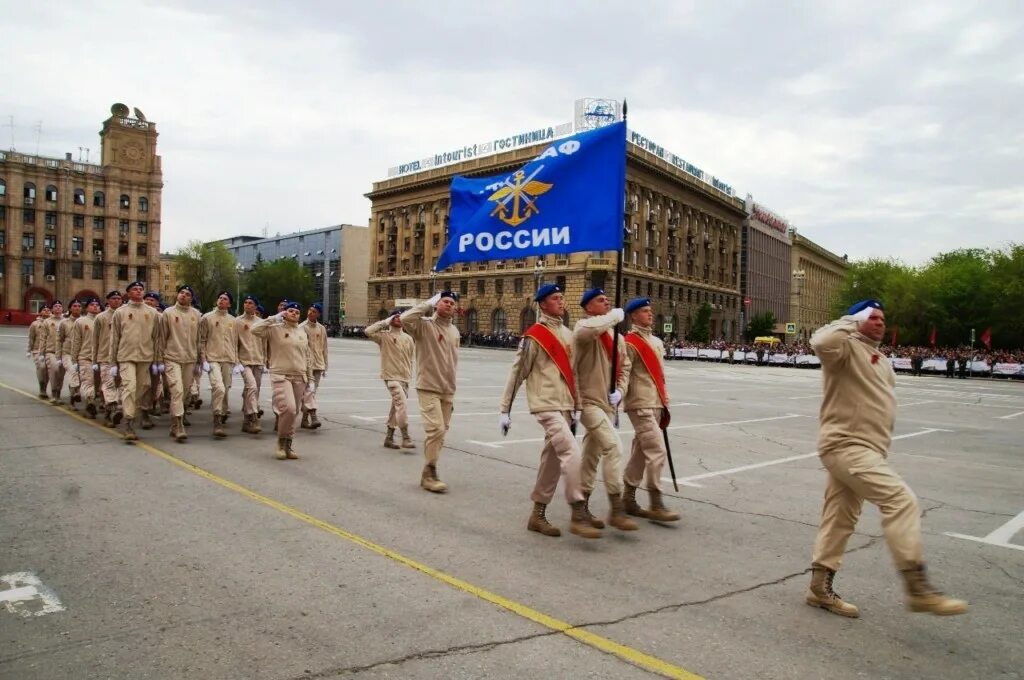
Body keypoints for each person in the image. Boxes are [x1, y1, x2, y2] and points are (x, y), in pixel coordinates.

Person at [806, 299, 967, 618]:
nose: (880, 322)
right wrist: (852, 320)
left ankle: (819, 587)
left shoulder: (880, 358)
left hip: (868, 448)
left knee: (841, 517)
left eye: (883, 318)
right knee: (901, 500)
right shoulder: (844, 348)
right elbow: (820, 340)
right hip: (846, 446)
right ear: (858, 320)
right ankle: (917, 586)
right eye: (873, 317)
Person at [500, 283, 600, 539]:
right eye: (556, 298)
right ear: (542, 304)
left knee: (552, 461)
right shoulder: (534, 335)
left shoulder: (568, 335)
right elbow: (518, 372)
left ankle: (538, 513)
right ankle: (578, 510)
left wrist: (576, 404)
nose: (561, 301)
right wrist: (505, 409)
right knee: (571, 452)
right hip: (545, 404)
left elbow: (574, 373)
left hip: (565, 405)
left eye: (562, 297)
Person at [572, 288, 636, 531]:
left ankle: (580, 509)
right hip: (587, 401)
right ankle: (616, 507)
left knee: (591, 455)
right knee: (613, 447)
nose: (607, 302)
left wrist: (620, 390)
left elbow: (626, 366)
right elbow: (589, 331)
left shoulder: (617, 338)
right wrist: (616, 316)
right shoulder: (584, 327)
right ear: (588, 307)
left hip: (607, 404)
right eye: (601, 300)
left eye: (608, 299)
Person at [620, 298, 681, 523]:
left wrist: (664, 400)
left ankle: (628, 497)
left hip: (656, 403)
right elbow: (623, 372)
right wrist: (618, 396)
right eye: (645, 311)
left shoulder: (655, 341)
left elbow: (659, 375)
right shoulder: (629, 343)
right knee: (657, 450)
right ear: (633, 316)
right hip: (640, 403)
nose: (650, 314)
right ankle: (656, 503)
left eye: (650, 311)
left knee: (640, 451)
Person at [400, 290, 460, 493]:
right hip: (428, 386)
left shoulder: (454, 332)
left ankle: (429, 470)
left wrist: (452, 386)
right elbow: (404, 318)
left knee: (440, 433)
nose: (449, 305)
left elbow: (453, 362)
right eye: (445, 301)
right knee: (436, 430)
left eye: (452, 303)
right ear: (437, 304)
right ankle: (429, 472)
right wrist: (427, 303)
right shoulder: (424, 326)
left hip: (447, 389)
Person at [251, 302, 313, 460]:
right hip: (281, 375)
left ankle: (288, 443)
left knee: (295, 413)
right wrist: (274, 318)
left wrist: (310, 379)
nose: (293, 314)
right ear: (285, 313)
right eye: (290, 311)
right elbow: (255, 329)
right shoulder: (275, 329)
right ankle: (281, 441)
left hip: (299, 376)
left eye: (297, 312)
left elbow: (307, 356)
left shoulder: (302, 332)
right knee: (289, 409)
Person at [110, 281, 162, 441]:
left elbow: (157, 339)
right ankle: (129, 423)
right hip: (126, 356)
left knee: (143, 387)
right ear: (128, 293)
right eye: (135, 289)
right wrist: (113, 362)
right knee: (129, 387)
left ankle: (130, 409)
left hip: (145, 357)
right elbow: (114, 338)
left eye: (141, 289)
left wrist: (157, 361)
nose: (139, 291)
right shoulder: (120, 312)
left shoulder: (152, 313)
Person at [364, 310, 416, 450]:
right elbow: (368, 331)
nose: (398, 319)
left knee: (396, 406)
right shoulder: (384, 337)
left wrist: (409, 375)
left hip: (405, 378)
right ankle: (405, 436)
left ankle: (389, 437)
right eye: (395, 316)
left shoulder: (408, 338)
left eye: (400, 316)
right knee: (402, 405)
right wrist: (385, 322)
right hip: (391, 377)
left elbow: (410, 359)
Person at [162, 285, 202, 442]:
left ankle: (175, 422)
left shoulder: (197, 315)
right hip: (172, 357)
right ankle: (179, 424)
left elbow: (199, 339)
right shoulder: (168, 313)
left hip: (190, 358)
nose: (183, 296)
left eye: (187, 294)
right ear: (177, 295)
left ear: (191, 298)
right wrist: (160, 359)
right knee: (177, 390)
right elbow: (162, 337)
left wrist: (200, 359)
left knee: (184, 392)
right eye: (181, 293)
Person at [199, 291, 240, 439]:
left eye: (225, 299)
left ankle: (222, 413)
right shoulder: (207, 318)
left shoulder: (233, 321)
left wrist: (236, 361)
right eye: (220, 298)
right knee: (218, 387)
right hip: (212, 358)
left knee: (226, 389)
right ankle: (217, 419)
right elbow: (202, 340)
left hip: (228, 359)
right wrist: (203, 359)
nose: (222, 300)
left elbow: (235, 342)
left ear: (229, 304)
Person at [236, 294, 266, 434]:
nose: (247, 304)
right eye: (245, 302)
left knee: (254, 390)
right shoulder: (237, 322)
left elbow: (264, 343)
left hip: (258, 360)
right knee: (252, 386)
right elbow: (233, 343)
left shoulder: (261, 322)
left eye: (250, 303)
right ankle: (254, 417)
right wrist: (236, 362)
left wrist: (265, 360)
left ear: (255, 306)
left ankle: (246, 421)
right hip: (244, 361)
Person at [93, 290, 124, 427]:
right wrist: (94, 360)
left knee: (122, 386)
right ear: (108, 300)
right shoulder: (100, 317)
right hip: (105, 357)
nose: (117, 301)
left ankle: (109, 411)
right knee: (109, 384)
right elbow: (95, 340)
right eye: (114, 298)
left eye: (119, 298)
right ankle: (112, 411)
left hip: (122, 357)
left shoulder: (125, 315)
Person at [69, 298, 102, 419]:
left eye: (97, 305)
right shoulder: (81, 322)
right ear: (87, 308)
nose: (95, 307)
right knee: (88, 382)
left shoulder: (103, 319)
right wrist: (74, 359)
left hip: (101, 358)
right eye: (92, 304)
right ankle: (90, 403)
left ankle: (95, 400)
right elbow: (76, 341)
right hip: (85, 357)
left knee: (99, 384)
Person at [299, 302, 328, 430]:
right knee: (309, 391)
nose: (311, 313)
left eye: (314, 311)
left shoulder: (321, 328)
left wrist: (325, 365)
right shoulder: (302, 327)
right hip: (306, 365)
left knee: (312, 391)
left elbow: (324, 347)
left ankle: (305, 419)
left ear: (318, 314)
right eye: (310, 310)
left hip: (318, 364)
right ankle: (312, 415)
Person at [58, 299, 83, 409]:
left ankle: (73, 397)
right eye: (74, 306)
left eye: (79, 306)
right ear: (70, 308)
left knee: (81, 376)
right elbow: (59, 339)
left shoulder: (84, 321)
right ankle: (75, 393)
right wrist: (58, 356)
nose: (77, 307)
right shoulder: (64, 323)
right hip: (67, 353)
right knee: (73, 372)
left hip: (82, 353)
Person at [27, 306, 52, 398]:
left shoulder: (52, 323)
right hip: (37, 350)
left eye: (48, 310)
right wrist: (28, 350)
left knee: (49, 371)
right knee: (42, 367)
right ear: (40, 312)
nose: (46, 311)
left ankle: (44, 388)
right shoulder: (35, 324)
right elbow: (31, 338)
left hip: (49, 350)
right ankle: (42, 386)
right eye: (44, 310)